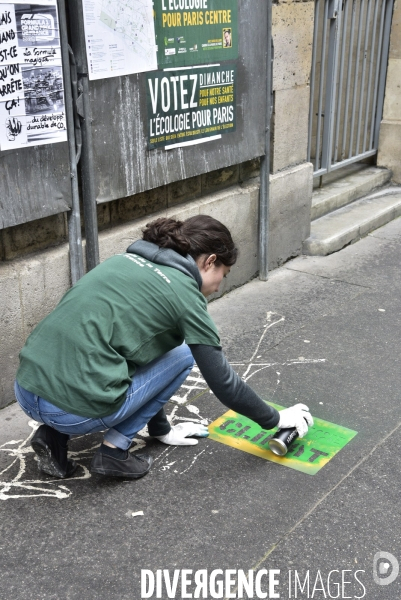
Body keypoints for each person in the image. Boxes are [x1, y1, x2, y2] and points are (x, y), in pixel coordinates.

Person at [14, 215, 313, 480]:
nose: (220, 285)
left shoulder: (121, 261)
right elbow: (223, 383)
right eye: (224, 273)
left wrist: (160, 431)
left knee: (107, 358)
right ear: (209, 261)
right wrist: (275, 419)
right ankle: (113, 452)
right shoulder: (185, 293)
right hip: (73, 412)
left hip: (26, 390)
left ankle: (53, 436)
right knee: (183, 354)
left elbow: (149, 362)